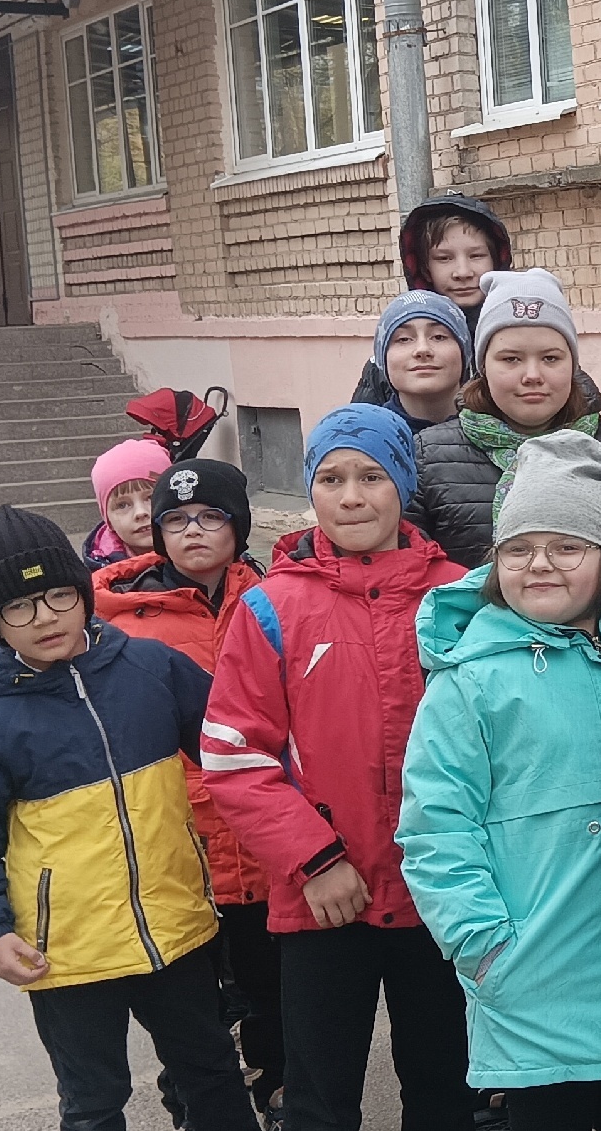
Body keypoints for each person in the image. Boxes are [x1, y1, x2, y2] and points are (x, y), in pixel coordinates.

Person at [400, 432, 601, 1130]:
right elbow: (437, 829)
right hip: (534, 982)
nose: (540, 564)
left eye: (567, 546)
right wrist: (484, 947)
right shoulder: (471, 681)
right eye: (519, 549)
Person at [0, 506, 254, 1131]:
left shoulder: (152, 670)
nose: (44, 617)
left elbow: (235, 746)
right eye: (19, 606)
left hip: (175, 929)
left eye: (58, 594)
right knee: (93, 1099)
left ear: (83, 592)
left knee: (211, 1069)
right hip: (67, 954)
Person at [199, 406, 472, 1131]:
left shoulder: (461, 595)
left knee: (446, 1091)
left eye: (372, 477)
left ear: (403, 484)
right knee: (320, 1099)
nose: (352, 497)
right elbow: (234, 753)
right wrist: (314, 860)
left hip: (440, 892)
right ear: (310, 489)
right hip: (324, 896)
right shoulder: (272, 607)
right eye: (332, 478)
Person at [89, 459, 285, 1127]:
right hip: (179, 840)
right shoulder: (122, 619)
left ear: (239, 526)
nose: (192, 531)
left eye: (209, 516)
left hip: (263, 830)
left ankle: (279, 1088)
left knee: (272, 985)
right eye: (175, 520)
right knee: (196, 999)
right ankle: (196, 1103)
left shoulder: (271, 596)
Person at [406, 268, 601, 568]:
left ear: (572, 363)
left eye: (550, 358)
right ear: (483, 366)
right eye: (511, 359)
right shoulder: (427, 457)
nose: (532, 375)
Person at [352, 194, 511, 404]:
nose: (463, 272)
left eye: (476, 256)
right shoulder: (393, 352)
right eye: (444, 258)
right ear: (425, 269)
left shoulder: (520, 333)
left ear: (497, 261)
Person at [372, 291, 475, 432]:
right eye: (404, 339)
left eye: (438, 337)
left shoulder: (497, 432)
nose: (422, 349)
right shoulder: (368, 437)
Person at [84, 438, 172, 569]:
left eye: (151, 498)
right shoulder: (98, 575)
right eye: (122, 505)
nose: (140, 512)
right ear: (108, 521)